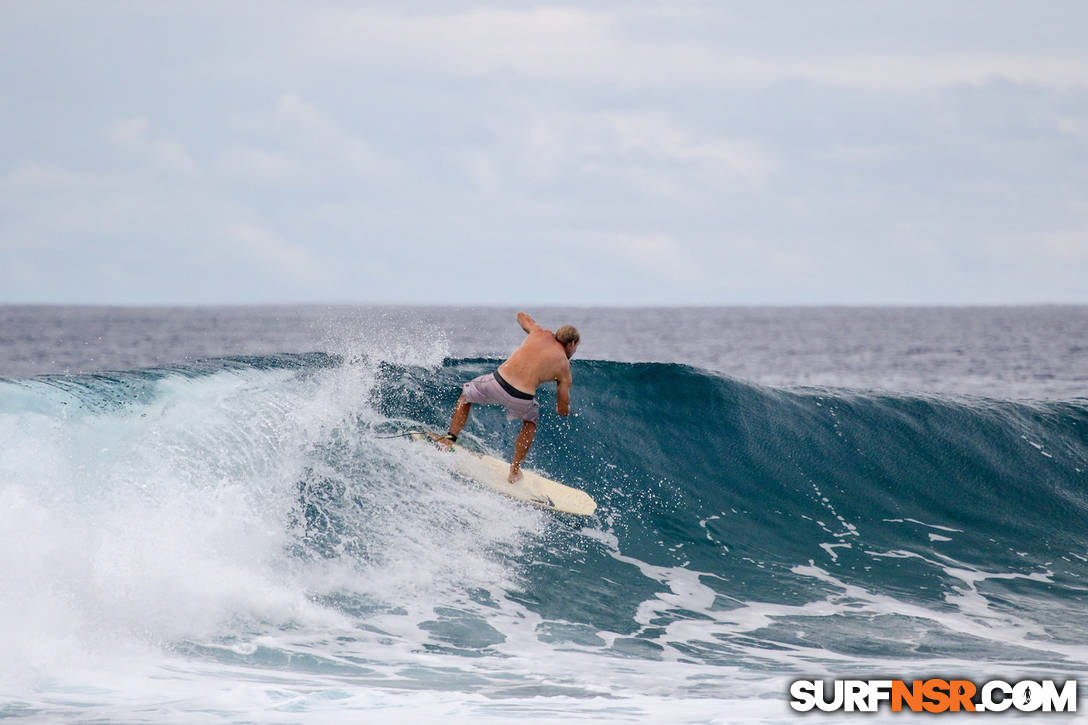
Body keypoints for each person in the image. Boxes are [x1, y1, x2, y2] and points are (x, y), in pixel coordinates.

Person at [436, 312, 580, 483]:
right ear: (571, 344)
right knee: (530, 423)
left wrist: (529, 323)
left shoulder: (538, 333)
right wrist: (564, 408)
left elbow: (522, 317)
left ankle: (448, 441)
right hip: (522, 398)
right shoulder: (564, 366)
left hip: (497, 383)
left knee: (466, 396)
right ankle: (514, 471)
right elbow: (563, 407)